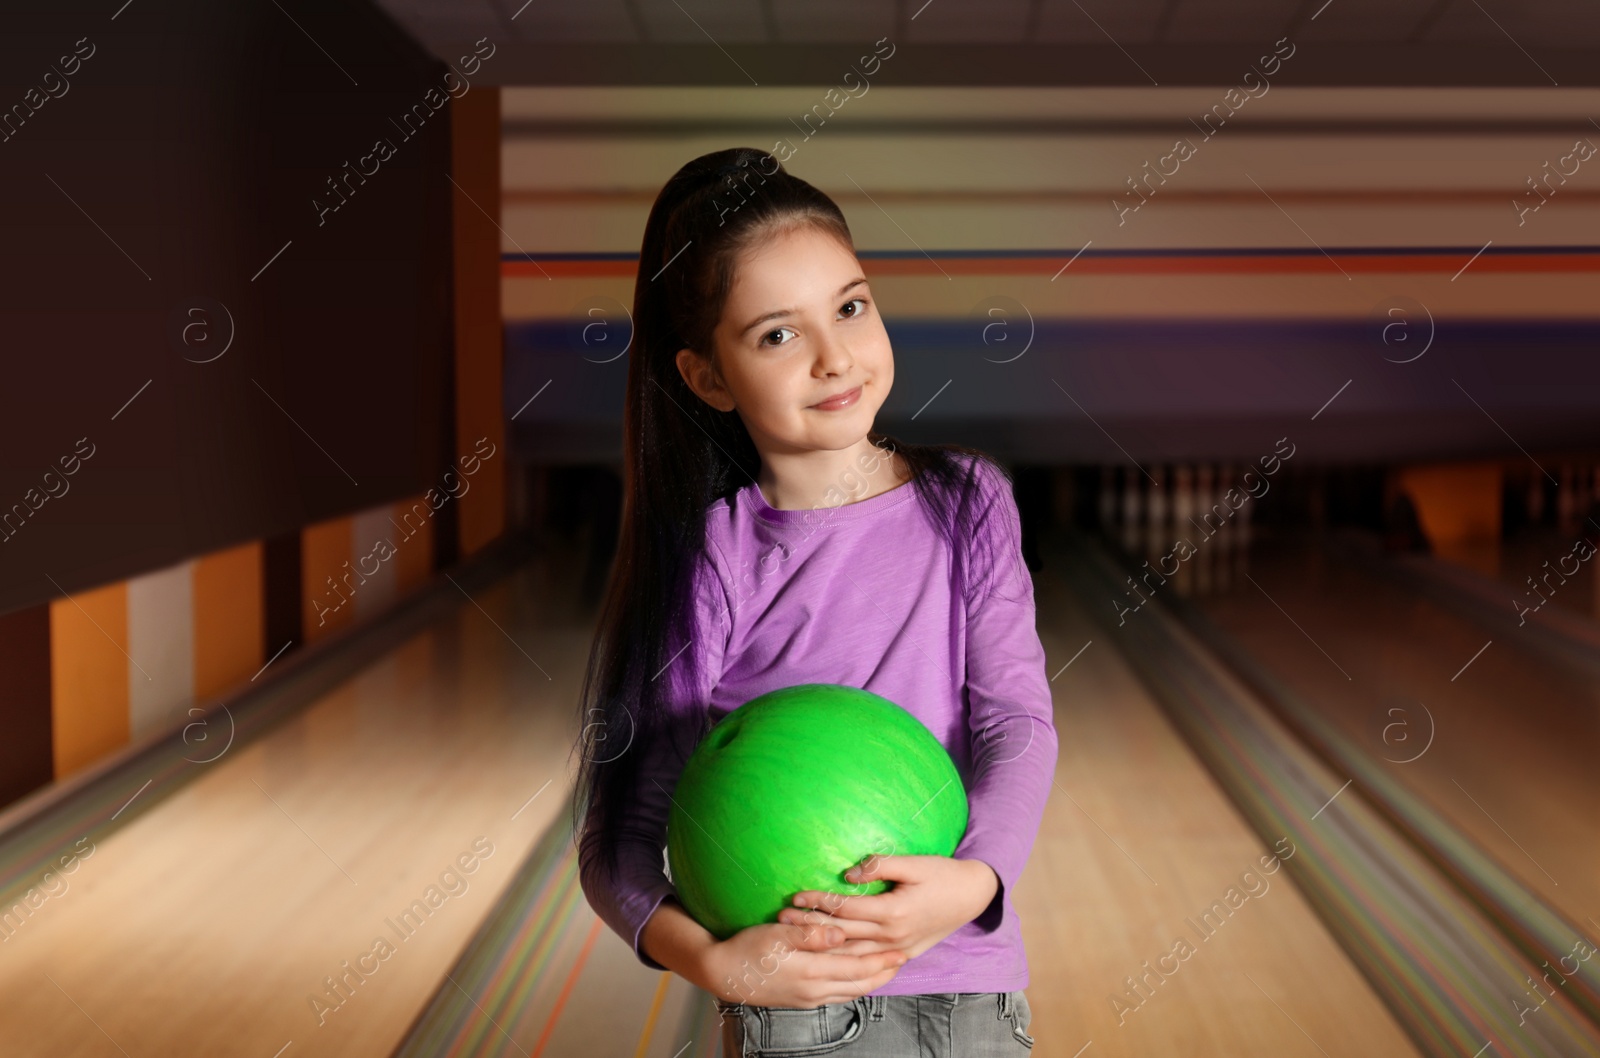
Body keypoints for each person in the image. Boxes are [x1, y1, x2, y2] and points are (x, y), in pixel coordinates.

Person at [571, 145, 1057, 1056]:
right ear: (707, 377)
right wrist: (720, 966)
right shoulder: (715, 558)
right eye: (777, 334)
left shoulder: (971, 501)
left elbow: (1017, 723)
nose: (836, 357)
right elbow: (619, 844)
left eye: (850, 306)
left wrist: (978, 878)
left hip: (974, 989)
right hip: (803, 1016)